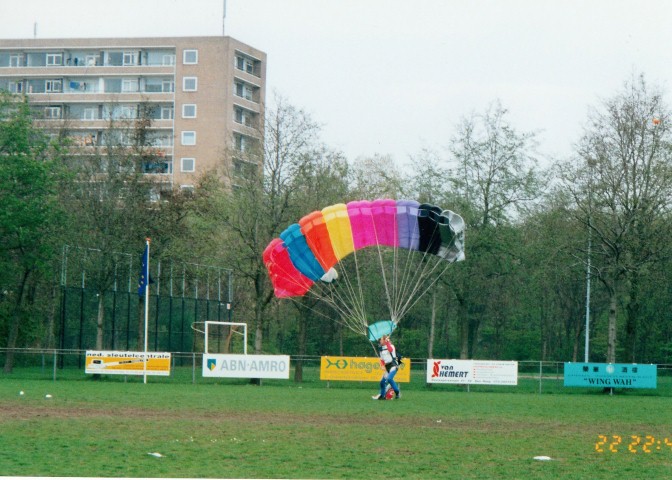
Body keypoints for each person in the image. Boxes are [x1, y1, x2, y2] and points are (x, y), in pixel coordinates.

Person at [372, 335, 400, 400]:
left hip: (393, 365)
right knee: (382, 382)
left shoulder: (391, 346)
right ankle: (382, 396)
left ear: (385, 340)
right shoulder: (381, 349)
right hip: (387, 366)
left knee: (389, 379)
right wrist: (382, 366)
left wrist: (387, 342)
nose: (380, 341)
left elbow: (390, 350)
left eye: (381, 340)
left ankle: (397, 392)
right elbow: (382, 360)